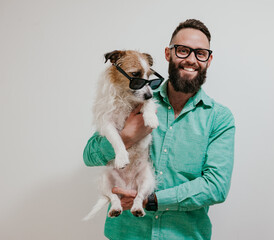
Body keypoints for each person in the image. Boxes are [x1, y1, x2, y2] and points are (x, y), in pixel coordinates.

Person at [83, 19, 235, 240]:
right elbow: (89, 156)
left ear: (208, 60)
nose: (191, 59)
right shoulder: (133, 99)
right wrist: (125, 137)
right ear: (168, 53)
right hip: (126, 235)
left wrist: (150, 200)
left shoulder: (219, 118)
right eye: (183, 51)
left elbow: (216, 187)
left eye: (200, 53)